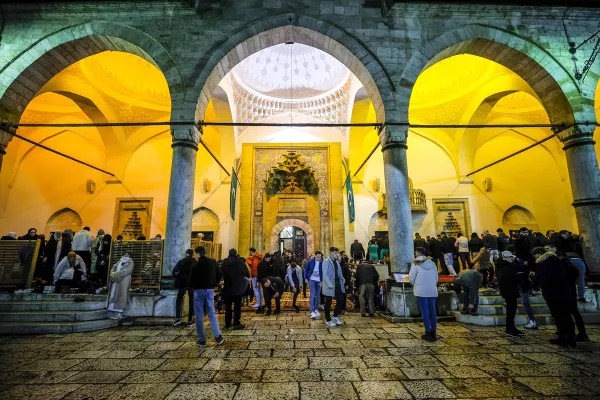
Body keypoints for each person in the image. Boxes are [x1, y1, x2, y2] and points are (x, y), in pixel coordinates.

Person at [531, 246, 576, 347]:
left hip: (552, 293)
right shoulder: (558, 260)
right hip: (565, 291)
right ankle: (571, 338)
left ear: (538, 254)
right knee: (566, 315)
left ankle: (562, 338)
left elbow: (542, 279)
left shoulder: (542, 263)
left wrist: (533, 277)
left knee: (558, 316)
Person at [545, 242, 589, 342]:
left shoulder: (561, 260)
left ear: (554, 248)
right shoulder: (564, 260)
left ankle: (576, 333)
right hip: (569, 290)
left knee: (570, 313)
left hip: (567, 291)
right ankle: (575, 332)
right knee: (572, 313)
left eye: (547, 249)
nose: (546, 251)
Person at [189, 246, 224, 347]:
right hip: (209, 290)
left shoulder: (195, 265)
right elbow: (220, 274)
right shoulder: (213, 262)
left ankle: (201, 340)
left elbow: (191, 280)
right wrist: (214, 284)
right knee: (211, 313)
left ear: (197, 254)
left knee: (199, 316)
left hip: (198, 291)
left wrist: (194, 287)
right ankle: (218, 337)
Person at [409, 247, 439, 341]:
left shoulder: (416, 263)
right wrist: (432, 285)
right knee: (433, 311)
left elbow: (411, 277)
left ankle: (428, 332)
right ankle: (434, 332)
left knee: (425, 311)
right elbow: (436, 277)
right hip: (432, 290)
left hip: (421, 290)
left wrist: (416, 285)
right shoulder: (432, 263)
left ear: (417, 253)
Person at [496, 250, 527, 338]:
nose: (512, 258)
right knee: (511, 310)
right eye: (510, 257)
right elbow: (513, 275)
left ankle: (512, 328)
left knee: (511, 310)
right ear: (505, 258)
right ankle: (509, 329)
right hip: (509, 290)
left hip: (508, 290)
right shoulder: (507, 266)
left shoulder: (501, 266)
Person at [221, 249, 249, 330]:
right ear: (236, 254)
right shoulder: (240, 262)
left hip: (227, 288)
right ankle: (236, 323)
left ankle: (228, 323)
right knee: (237, 306)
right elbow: (245, 273)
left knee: (228, 306)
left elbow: (221, 272)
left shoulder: (224, 262)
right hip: (238, 288)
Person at [322, 247, 345, 328]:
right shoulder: (326, 261)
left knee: (341, 300)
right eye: (335, 253)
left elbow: (339, 272)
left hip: (337, 283)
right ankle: (328, 320)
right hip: (330, 285)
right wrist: (329, 284)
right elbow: (325, 274)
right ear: (331, 253)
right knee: (328, 302)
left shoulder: (336, 262)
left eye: (337, 253)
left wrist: (342, 278)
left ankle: (335, 316)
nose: (337, 254)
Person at [172, 249, 196, 326]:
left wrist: (177, 278)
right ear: (192, 254)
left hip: (182, 283)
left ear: (186, 254)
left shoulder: (182, 261)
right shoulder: (195, 262)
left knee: (179, 299)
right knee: (191, 300)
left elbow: (174, 271)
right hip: (191, 283)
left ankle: (178, 318)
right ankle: (189, 320)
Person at [108, 252, 134, 319]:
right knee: (114, 294)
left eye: (127, 254)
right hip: (116, 281)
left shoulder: (130, 262)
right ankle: (113, 311)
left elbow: (127, 271)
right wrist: (113, 274)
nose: (126, 255)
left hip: (124, 281)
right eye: (125, 254)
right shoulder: (120, 260)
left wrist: (117, 274)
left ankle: (119, 312)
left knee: (122, 295)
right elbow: (114, 267)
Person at [305, 251, 323, 319]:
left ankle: (316, 309)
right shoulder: (310, 261)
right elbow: (306, 269)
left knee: (318, 296)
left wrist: (322, 281)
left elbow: (323, 272)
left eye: (320, 257)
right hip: (312, 280)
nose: (319, 258)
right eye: (318, 257)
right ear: (315, 256)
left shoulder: (322, 262)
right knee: (312, 295)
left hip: (319, 281)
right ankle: (312, 311)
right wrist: (306, 278)